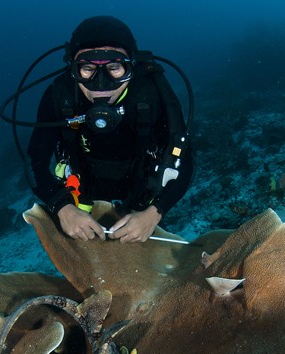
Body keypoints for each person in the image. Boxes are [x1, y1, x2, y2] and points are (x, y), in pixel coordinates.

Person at [26, 16, 193, 243]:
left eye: (114, 68)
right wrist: (62, 207)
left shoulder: (153, 93)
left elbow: (185, 161)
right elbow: (34, 162)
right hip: (80, 199)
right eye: (87, 68)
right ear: (73, 68)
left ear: (131, 66)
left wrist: (154, 214)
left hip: (140, 202)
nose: (101, 84)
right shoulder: (60, 95)